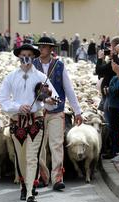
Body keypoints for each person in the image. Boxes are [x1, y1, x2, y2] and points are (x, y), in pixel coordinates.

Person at [0, 44, 59, 202]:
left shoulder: (41, 77)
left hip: (35, 122)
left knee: (33, 157)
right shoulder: (10, 77)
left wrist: (49, 100)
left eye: (30, 55)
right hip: (17, 122)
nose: (26, 58)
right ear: (19, 57)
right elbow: (2, 100)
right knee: (21, 157)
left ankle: (31, 191)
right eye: (23, 55)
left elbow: (54, 98)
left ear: (34, 58)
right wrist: (18, 107)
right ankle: (24, 185)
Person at [33, 37, 83, 191]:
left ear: (51, 49)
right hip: (38, 111)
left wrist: (77, 110)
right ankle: (43, 176)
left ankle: (57, 179)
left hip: (57, 111)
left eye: (44, 47)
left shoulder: (59, 66)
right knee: (39, 146)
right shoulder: (32, 65)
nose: (41, 49)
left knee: (56, 145)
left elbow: (68, 88)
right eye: (40, 46)